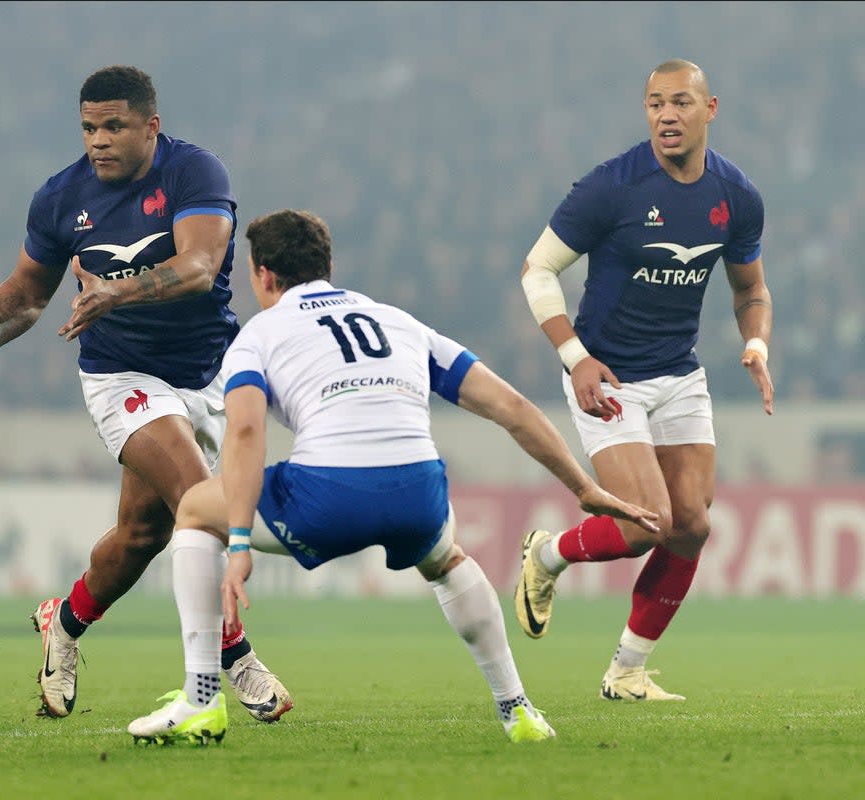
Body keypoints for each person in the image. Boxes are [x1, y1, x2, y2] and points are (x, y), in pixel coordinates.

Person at [126, 209, 661, 746]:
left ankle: (200, 699)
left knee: (195, 508)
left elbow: (244, 433)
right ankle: (517, 709)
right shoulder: (399, 322)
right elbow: (513, 408)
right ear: (327, 265)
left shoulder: (259, 334)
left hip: (327, 496)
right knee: (448, 559)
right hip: (418, 494)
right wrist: (583, 487)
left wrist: (238, 539)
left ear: (262, 275)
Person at [0, 65, 292, 722]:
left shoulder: (195, 174)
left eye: (114, 126)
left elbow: (201, 267)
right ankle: (233, 658)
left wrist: (118, 289)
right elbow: (29, 293)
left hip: (207, 371)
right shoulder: (61, 197)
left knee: (143, 533)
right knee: (197, 499)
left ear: (151, 126)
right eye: (89, 127)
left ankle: (61, 622)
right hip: (122, 376)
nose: (99, 140)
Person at [515, 58, 774, 701]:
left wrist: (757, 342)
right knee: (643, 525)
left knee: (690, 525)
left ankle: (627, 670)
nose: (666, 115)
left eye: (680, 103)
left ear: (709, 110)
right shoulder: (612, 187)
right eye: (655, 103)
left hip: (679, 372)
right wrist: (575, 357)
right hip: (607, 374)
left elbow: (752, 289)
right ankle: (547, 556)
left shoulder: (735, 197)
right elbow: (537, 271)